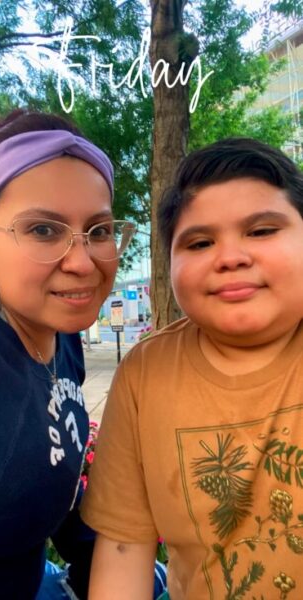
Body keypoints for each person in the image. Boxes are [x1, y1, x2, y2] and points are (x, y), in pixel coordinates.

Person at [81, 137, 303, 600]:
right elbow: (124, 546)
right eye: (200, 242)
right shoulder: (145, 373)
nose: (230, 257)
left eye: (261, 231)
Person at [0, 109, 135, 600]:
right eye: (43, 230)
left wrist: (92, 553)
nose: (82, 262)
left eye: (99, 230)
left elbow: (49, 455)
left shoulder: (60, 336)